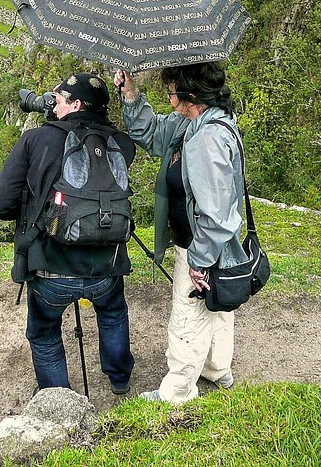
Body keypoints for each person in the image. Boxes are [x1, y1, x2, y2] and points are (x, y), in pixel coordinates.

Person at [0, 73, 137, 395]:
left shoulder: (37, 139)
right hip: (106, 266)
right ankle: (120, 380)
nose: (53, 103)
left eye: (60, 98)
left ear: (76, 104)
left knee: (44, 333)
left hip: (50, 265)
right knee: (112, 314)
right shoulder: (121, 144)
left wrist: (36, 208)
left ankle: (59, 402)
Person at [116, 62, 245, 403]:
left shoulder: (207, 139)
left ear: (186, 94)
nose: (168, 94)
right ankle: (216, 368)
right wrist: (131, 95)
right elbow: (154, 135)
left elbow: (214, 213)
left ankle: (177, 390)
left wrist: (200, 260)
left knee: (188, 310)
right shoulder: (197, 122)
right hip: (213, 241)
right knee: (215, 304)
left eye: (171, 88)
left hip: (200, 242)